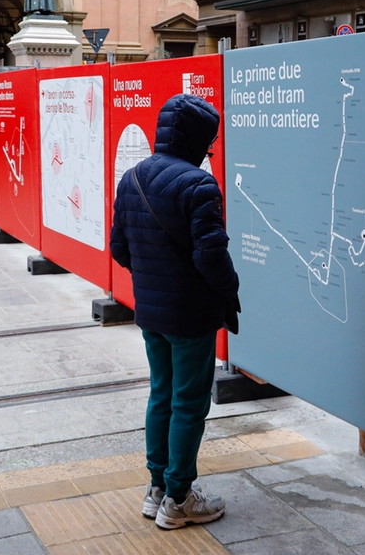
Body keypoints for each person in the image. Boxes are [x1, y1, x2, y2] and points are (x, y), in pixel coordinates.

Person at [110, 94, 239, 530]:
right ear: (199, 139)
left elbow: (119, 249)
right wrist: (229, 291)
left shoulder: (132, 178)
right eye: (210, 141)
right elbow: (211, 255)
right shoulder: (199, 185)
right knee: (189, 402)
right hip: (191, 316)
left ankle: (157, 489)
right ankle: (180, 497)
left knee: (161, 394)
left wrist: (153, 278)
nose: (210, 150)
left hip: (151, 312)